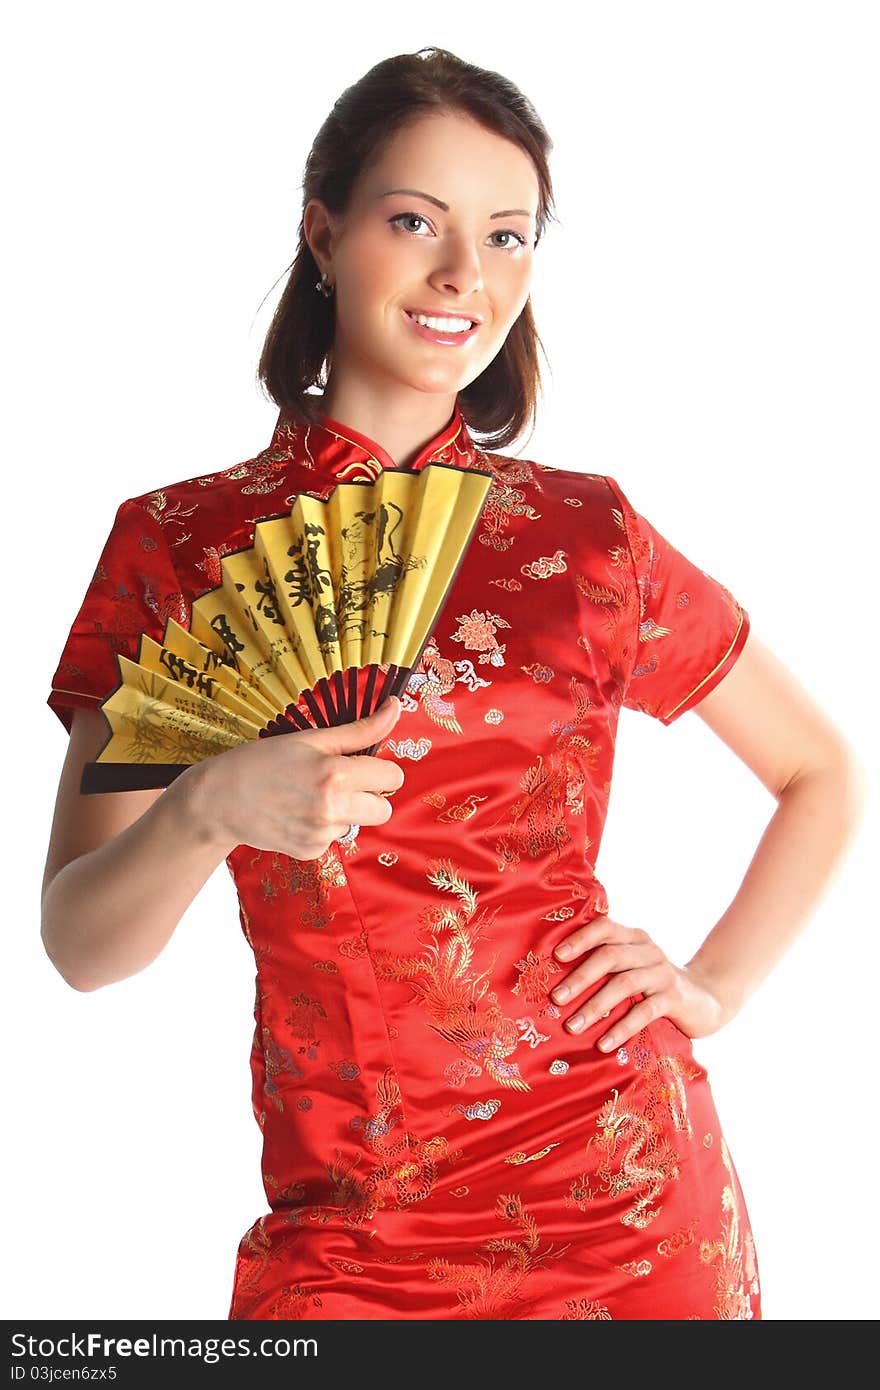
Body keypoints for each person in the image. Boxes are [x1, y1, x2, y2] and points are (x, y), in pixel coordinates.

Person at [42, 47, 865, 1321]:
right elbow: (81, 945)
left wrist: (714, 986)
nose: (460, 278)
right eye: (413, 220)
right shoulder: (180, 545)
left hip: (627, 1186)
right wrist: (207, 807)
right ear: (323, 233)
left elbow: (819, 770)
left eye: (506, 235)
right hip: (347, 1218)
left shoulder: (588, 538)